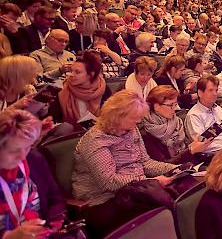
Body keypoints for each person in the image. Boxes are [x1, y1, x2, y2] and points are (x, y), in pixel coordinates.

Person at [72, 90, 177, 237]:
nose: (137, 124)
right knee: (164, 207)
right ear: (117, 117)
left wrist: (175, 169)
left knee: (179, 190)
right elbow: (109, 182)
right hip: (104, 201)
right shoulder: (95, 140)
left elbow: (145, 163)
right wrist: (148, 182)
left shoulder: (130, 129)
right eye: (134, 119)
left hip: (138, 191)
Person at [0, 109, 63, 239]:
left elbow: (56, 199)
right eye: (14, 150)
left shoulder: (35, 159)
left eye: (28, 147)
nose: (23, 156)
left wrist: (52, 224)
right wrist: (9, 237)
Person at [140, 85, 212, 163]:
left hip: (189, 165)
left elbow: (186, 150)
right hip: (172, 172)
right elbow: (163, 166)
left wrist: (196, 146)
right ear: (156, 107)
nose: (175, 108)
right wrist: (191, 150)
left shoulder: (177, 122)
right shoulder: (146, 134)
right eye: (171, 105)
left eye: (175, 104)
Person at [52, 51, 110, 125]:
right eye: (71, 71)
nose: (71, 75)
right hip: (71, 134)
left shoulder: (103, 89)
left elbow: (110, 116)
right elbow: (54, 118)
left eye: (77, 72)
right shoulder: (62, 89)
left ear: (91, 74)